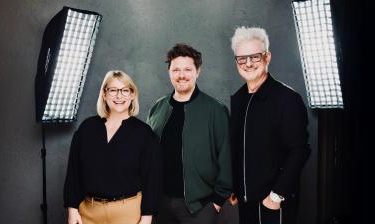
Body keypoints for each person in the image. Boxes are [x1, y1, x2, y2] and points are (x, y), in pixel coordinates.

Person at [229, 26, 311, 224]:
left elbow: (299, 151)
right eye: (242, 58)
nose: (248, 63)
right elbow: (239, 147)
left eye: (255, 56)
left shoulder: (287, 99)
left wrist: (276, 196)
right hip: (245, 202)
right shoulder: (238, 99)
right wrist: (235, 186)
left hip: (273, 204)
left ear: (267, 57)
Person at [146, 43, 232, 224]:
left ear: (197, 71)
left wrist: (217, 201)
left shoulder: (215, 110)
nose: (182, 75)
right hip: (160, 204)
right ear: (169, 72)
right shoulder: (158, 108)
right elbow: (147, 155)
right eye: (176, 70)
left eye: (187, 69)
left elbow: (227, 156)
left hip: (199, 207)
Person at [63, 70, 162, 224]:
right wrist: (72, 209)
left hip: (128, 213)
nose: (119, 96)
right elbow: (74, 172)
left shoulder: (144, 133)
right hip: (88, 213)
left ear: (132, 95)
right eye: (113, 90)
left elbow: (152, 180)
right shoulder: (87, 128)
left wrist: (147, 217)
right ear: (104, 94)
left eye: (125, 90)